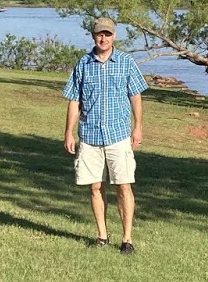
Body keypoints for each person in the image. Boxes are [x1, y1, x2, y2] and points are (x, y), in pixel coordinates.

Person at [62, 16, 147, 253]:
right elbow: (74, 100)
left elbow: (136, 96)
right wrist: (68, 133)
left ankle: (127, 239)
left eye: (108, 34)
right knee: (95, 187)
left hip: (118, 134)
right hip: (89, 135)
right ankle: (102, 236)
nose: (103, 38)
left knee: (123, 186)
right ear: (93, 36)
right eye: (100, 34)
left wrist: (138, 126)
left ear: (114, 36)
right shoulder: (83, 64)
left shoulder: (126, 62)